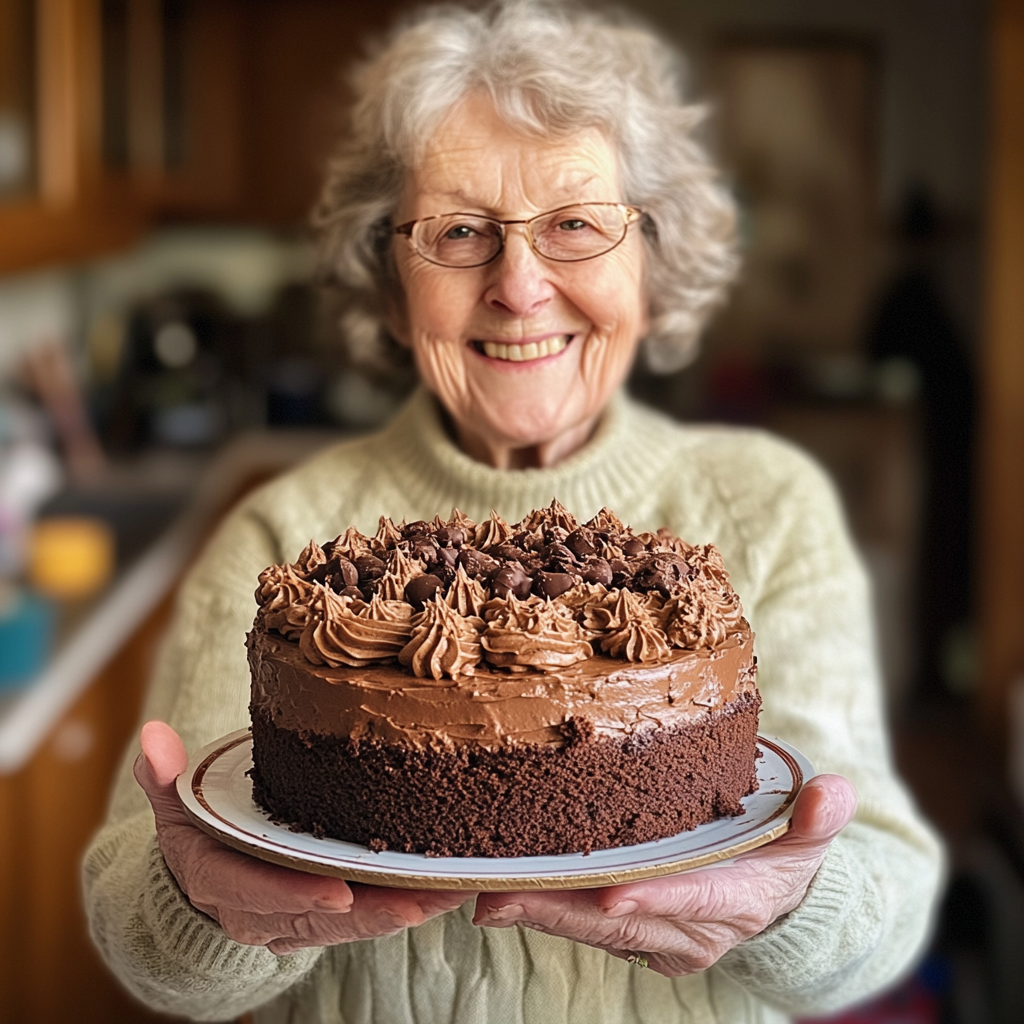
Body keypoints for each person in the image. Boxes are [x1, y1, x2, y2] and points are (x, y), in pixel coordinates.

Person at [83, 3, 943, 1022]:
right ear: (392, 287)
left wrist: (793, 903)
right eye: (457, 232)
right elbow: (142, 914)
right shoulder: (285, 538)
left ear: (651, 266)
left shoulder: (764, 509)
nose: (520, 287)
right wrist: (198, 907)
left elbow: (881, 890)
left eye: (575, 225)